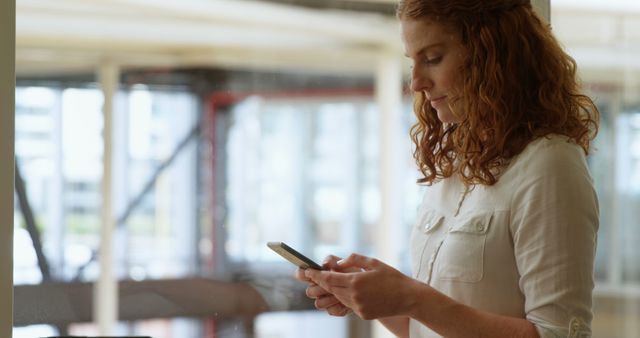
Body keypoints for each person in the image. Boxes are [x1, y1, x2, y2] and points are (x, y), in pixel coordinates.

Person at [295, 0, 600, 337]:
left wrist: (413, 299)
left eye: (433, 59)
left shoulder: (549, 164)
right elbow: (429, 329)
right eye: (413, 62)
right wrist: (372, 297)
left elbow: (559, 334)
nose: (416, 83)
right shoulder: (456, 165)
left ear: (492, 54)